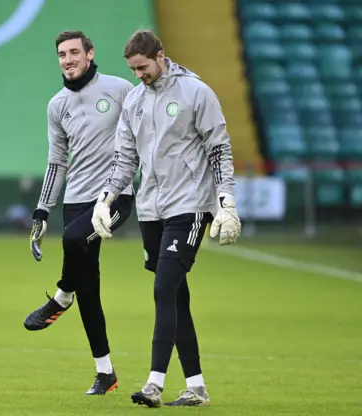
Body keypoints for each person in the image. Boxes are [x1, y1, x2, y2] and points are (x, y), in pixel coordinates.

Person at [91, 30, 241, 407]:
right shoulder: (134, 101)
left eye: (142, 67)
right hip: (150, 211)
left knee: (163, 291)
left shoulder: (196, 92)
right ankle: (197, 388)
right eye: (132, 69)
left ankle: (154, 384)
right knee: (176, 297)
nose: (138, 74)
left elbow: (219, 148)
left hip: (189, 207)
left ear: (160, 57)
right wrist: (105, 199)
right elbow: (125, 159)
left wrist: (226, 201)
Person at [23, 30, 136, 395]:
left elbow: (145, 134)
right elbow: (57, 162)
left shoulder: (119, 89)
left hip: (116, 197)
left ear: (90, 54)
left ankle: (61, 296)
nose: (67, 59)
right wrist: (42, 209)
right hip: (76, 199)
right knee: (90, 286)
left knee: (73, 239)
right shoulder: (57, 105)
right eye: (61, 54)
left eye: (74, 52)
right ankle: (106, 374)